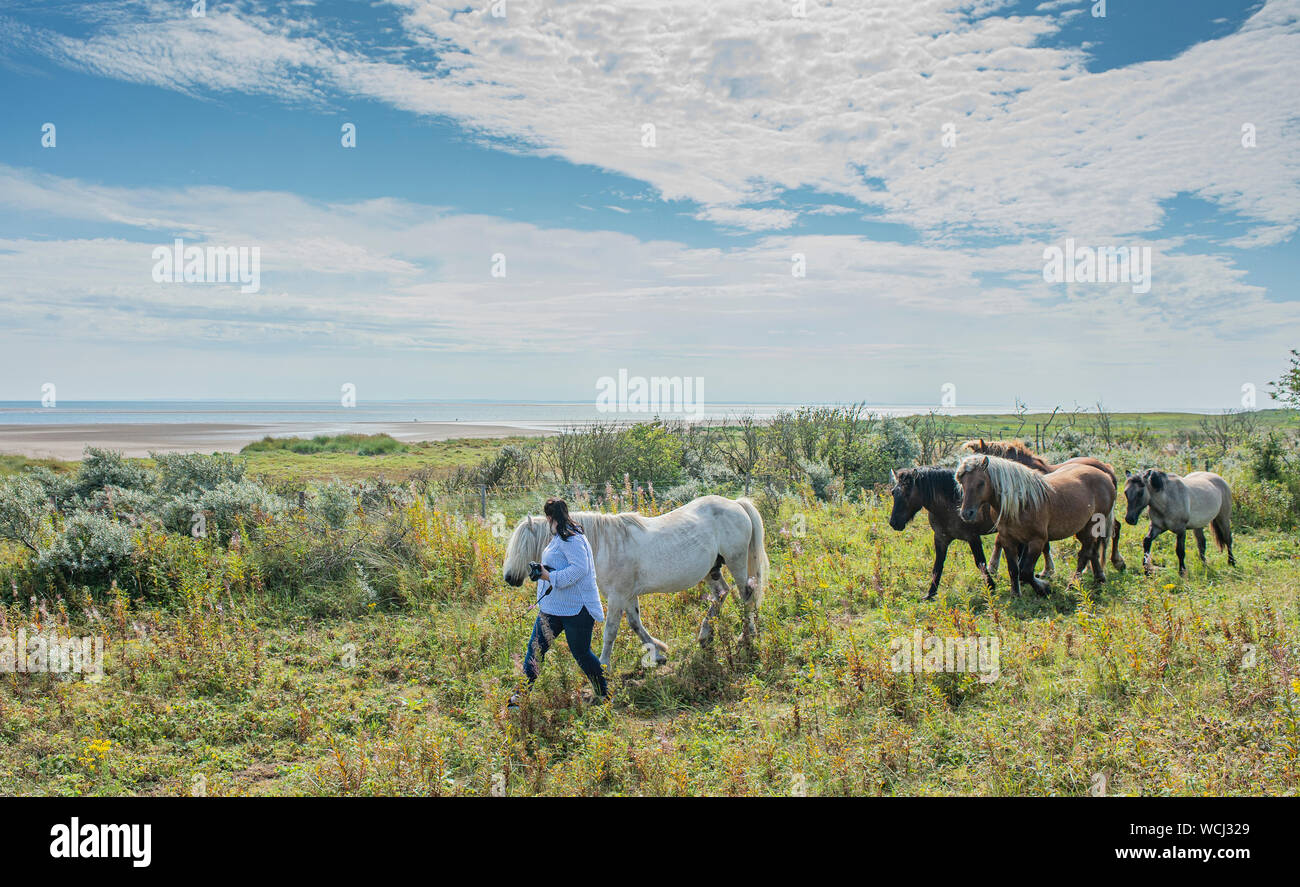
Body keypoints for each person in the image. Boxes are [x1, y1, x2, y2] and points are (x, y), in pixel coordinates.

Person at [511, 498, 609, 707]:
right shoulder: (560, 537)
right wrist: (544, 570)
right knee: (535, 650)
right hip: (552, 608)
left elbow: (580, 568)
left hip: (577, 610)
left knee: (582, 653)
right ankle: (519, 697)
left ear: (549, 518)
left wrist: (549, 576)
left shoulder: (571, 539)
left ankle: (603, 694)